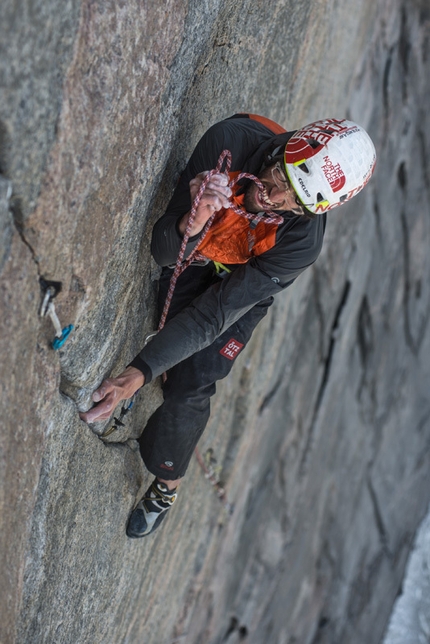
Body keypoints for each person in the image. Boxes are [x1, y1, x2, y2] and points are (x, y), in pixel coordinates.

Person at [80, 113, 376, 538]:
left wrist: (137, 373)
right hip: (200, 253)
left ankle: (167, 483)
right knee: (174, 354)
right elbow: (164, 252)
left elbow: (214, 315)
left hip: (242, 289)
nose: (272, 197)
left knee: (194, 381)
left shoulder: (301, 242)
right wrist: (192, 223)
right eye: (278, 176)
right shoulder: (231, 143)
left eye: (292, 200)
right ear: (281, 151)